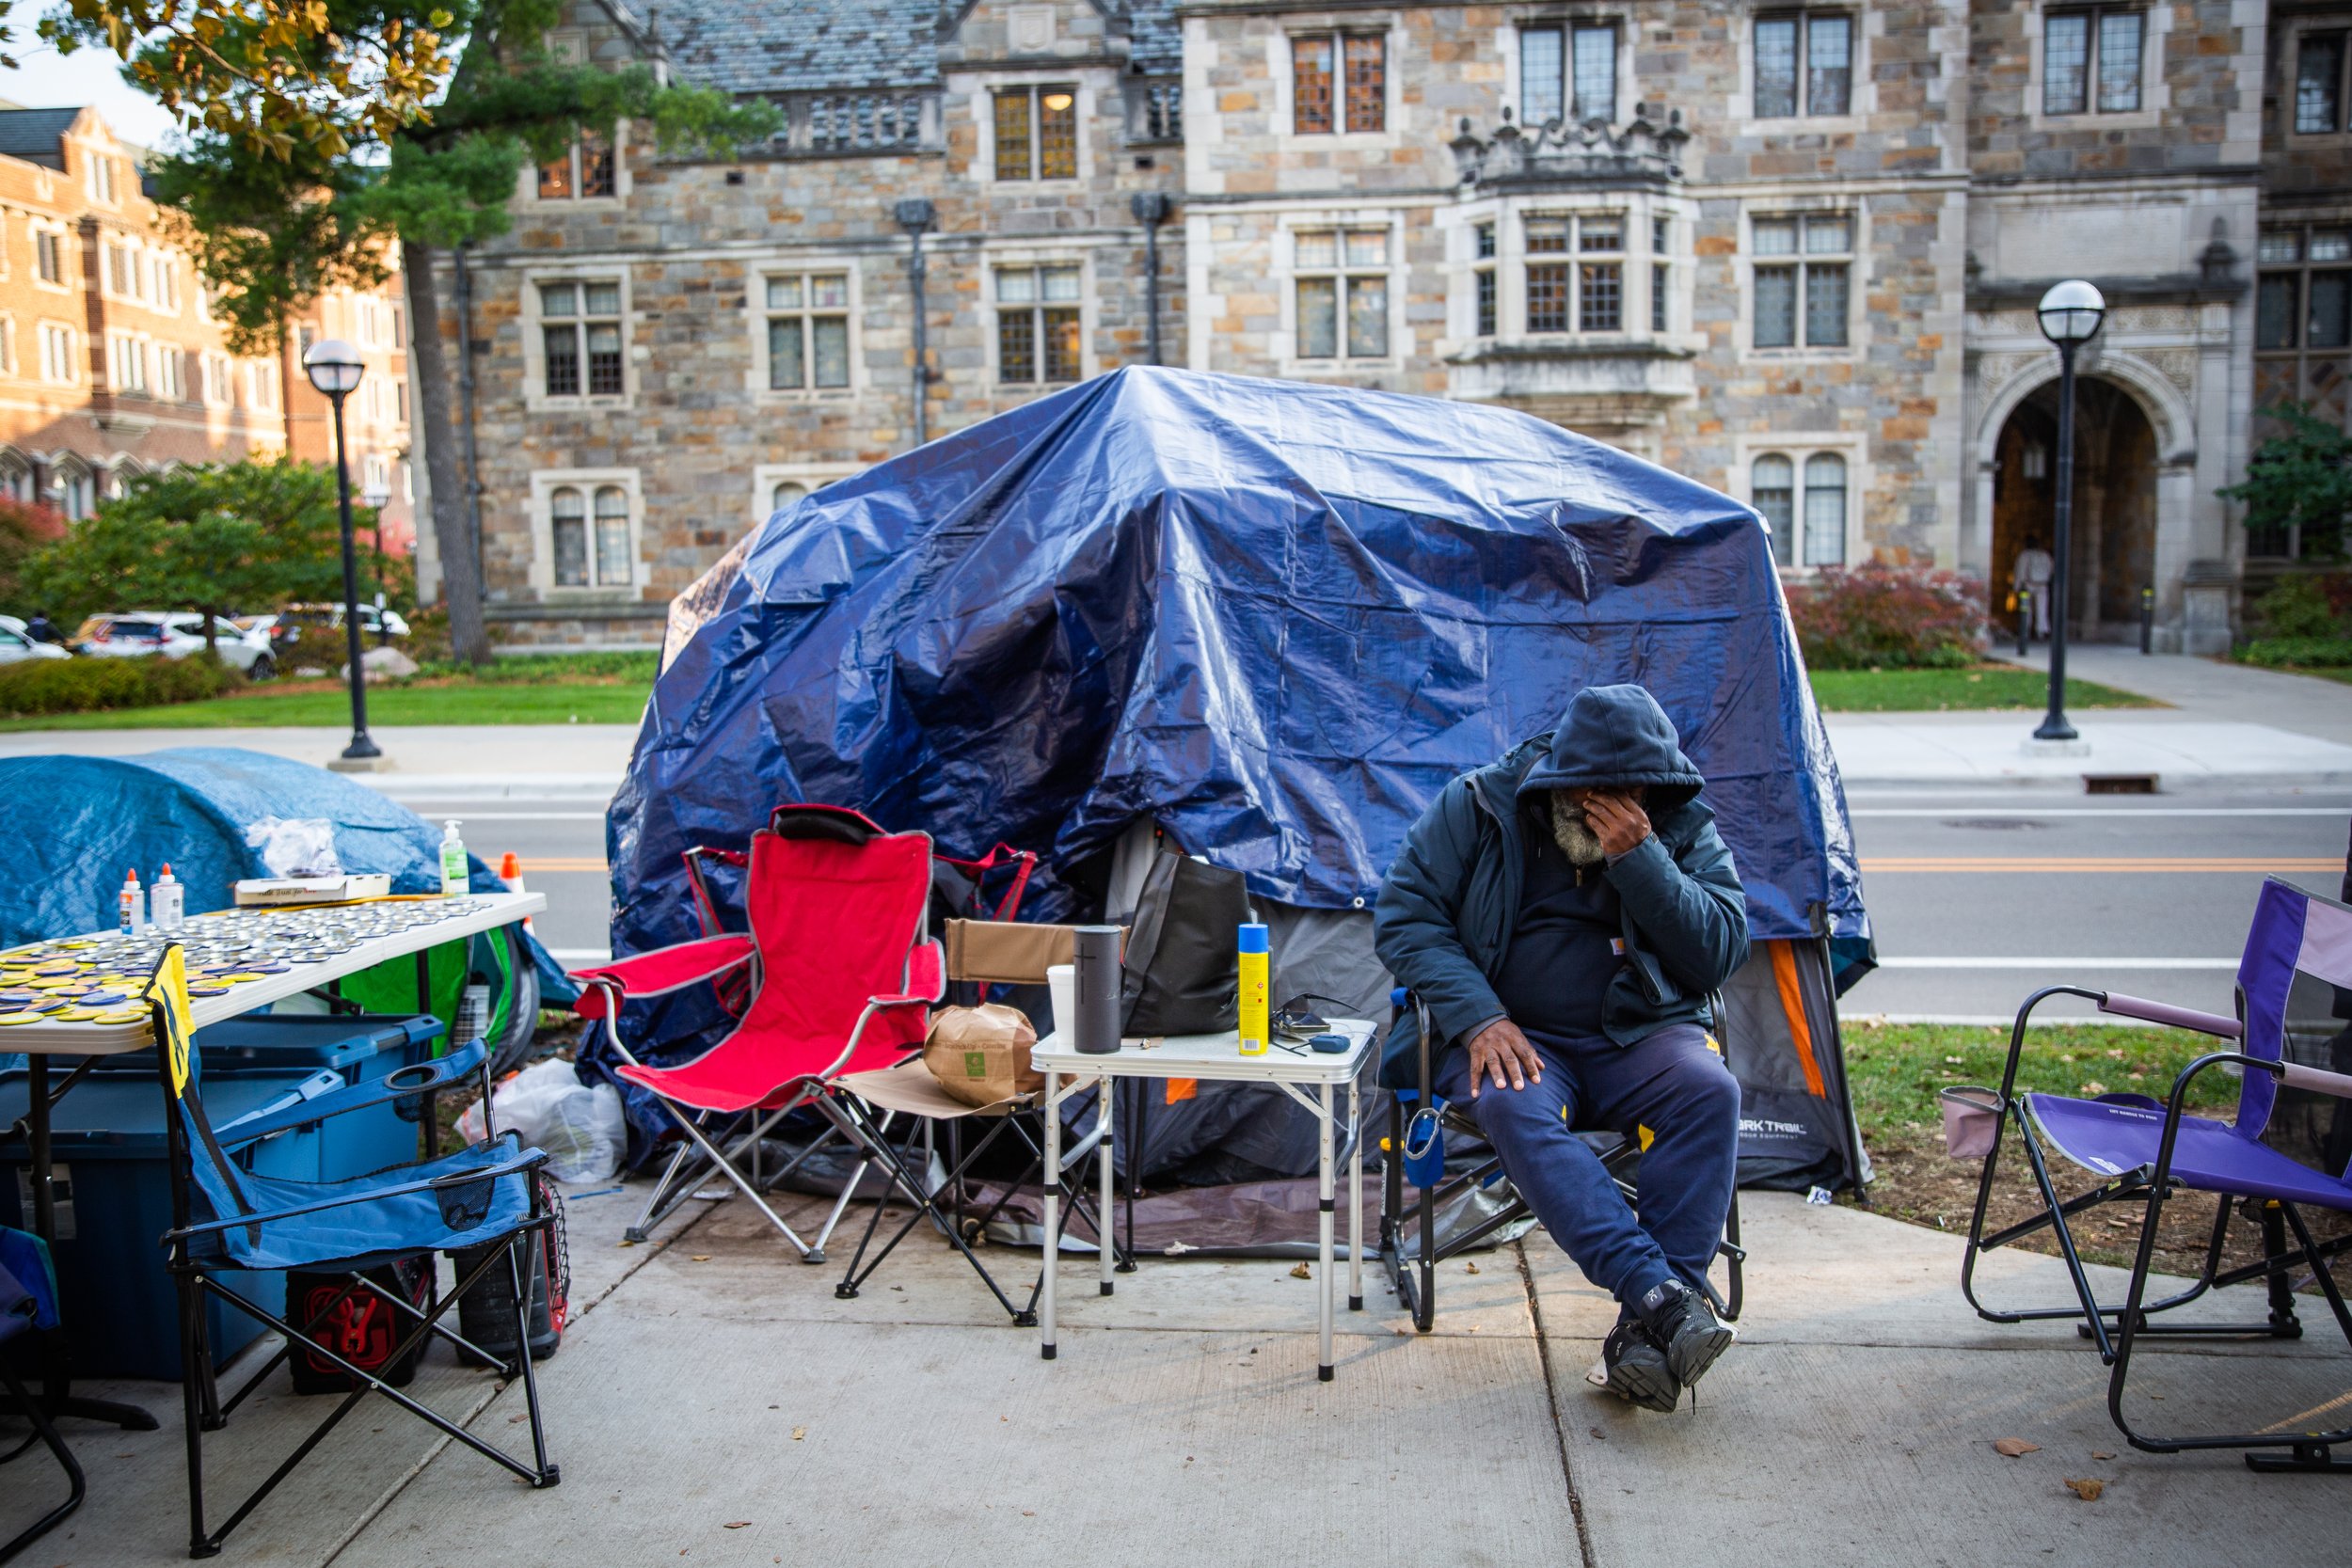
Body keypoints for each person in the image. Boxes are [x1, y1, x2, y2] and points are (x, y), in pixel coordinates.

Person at [1375, 684, 1750, 1413]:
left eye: (1623, 791)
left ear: (1653, 785)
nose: (1600, 806)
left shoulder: (1673, 823)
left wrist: (1643, 862)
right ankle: (1662, 1293)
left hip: (1636, 1031)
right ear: (1555, 775)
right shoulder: (1480, 804)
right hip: (1514, 1034)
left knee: (1711, 1091)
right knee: (1511, 1104)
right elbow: (1405, 915)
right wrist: (1479, 1015)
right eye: (1585, 791)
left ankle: (1644, 1335)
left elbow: (1721, 950)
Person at [2011, 538, 2054, 639]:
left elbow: (2020, 571)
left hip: (2027, 585)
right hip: (2042, 585)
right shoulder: (2045, 555)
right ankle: (2041, 631)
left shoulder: (2024, 555)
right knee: (2042, 608)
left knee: (2026, 609)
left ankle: (2025, 629)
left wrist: (2016, 587)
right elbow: (2051, 569)